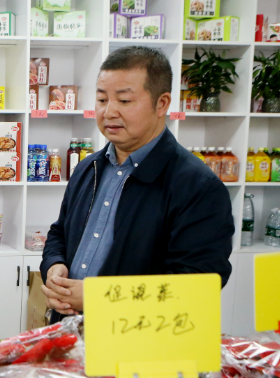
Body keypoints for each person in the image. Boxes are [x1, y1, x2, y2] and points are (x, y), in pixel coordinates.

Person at [40, 46, 235, 323]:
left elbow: (196, 285)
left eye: (124, 100)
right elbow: (59, 232)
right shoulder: (88, 167)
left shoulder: (197, 186)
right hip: (70, 330)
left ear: (162, 103)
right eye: (102, 99)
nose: (109, 112)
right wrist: (54, 266)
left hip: (137, 339)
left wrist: (100, 298)